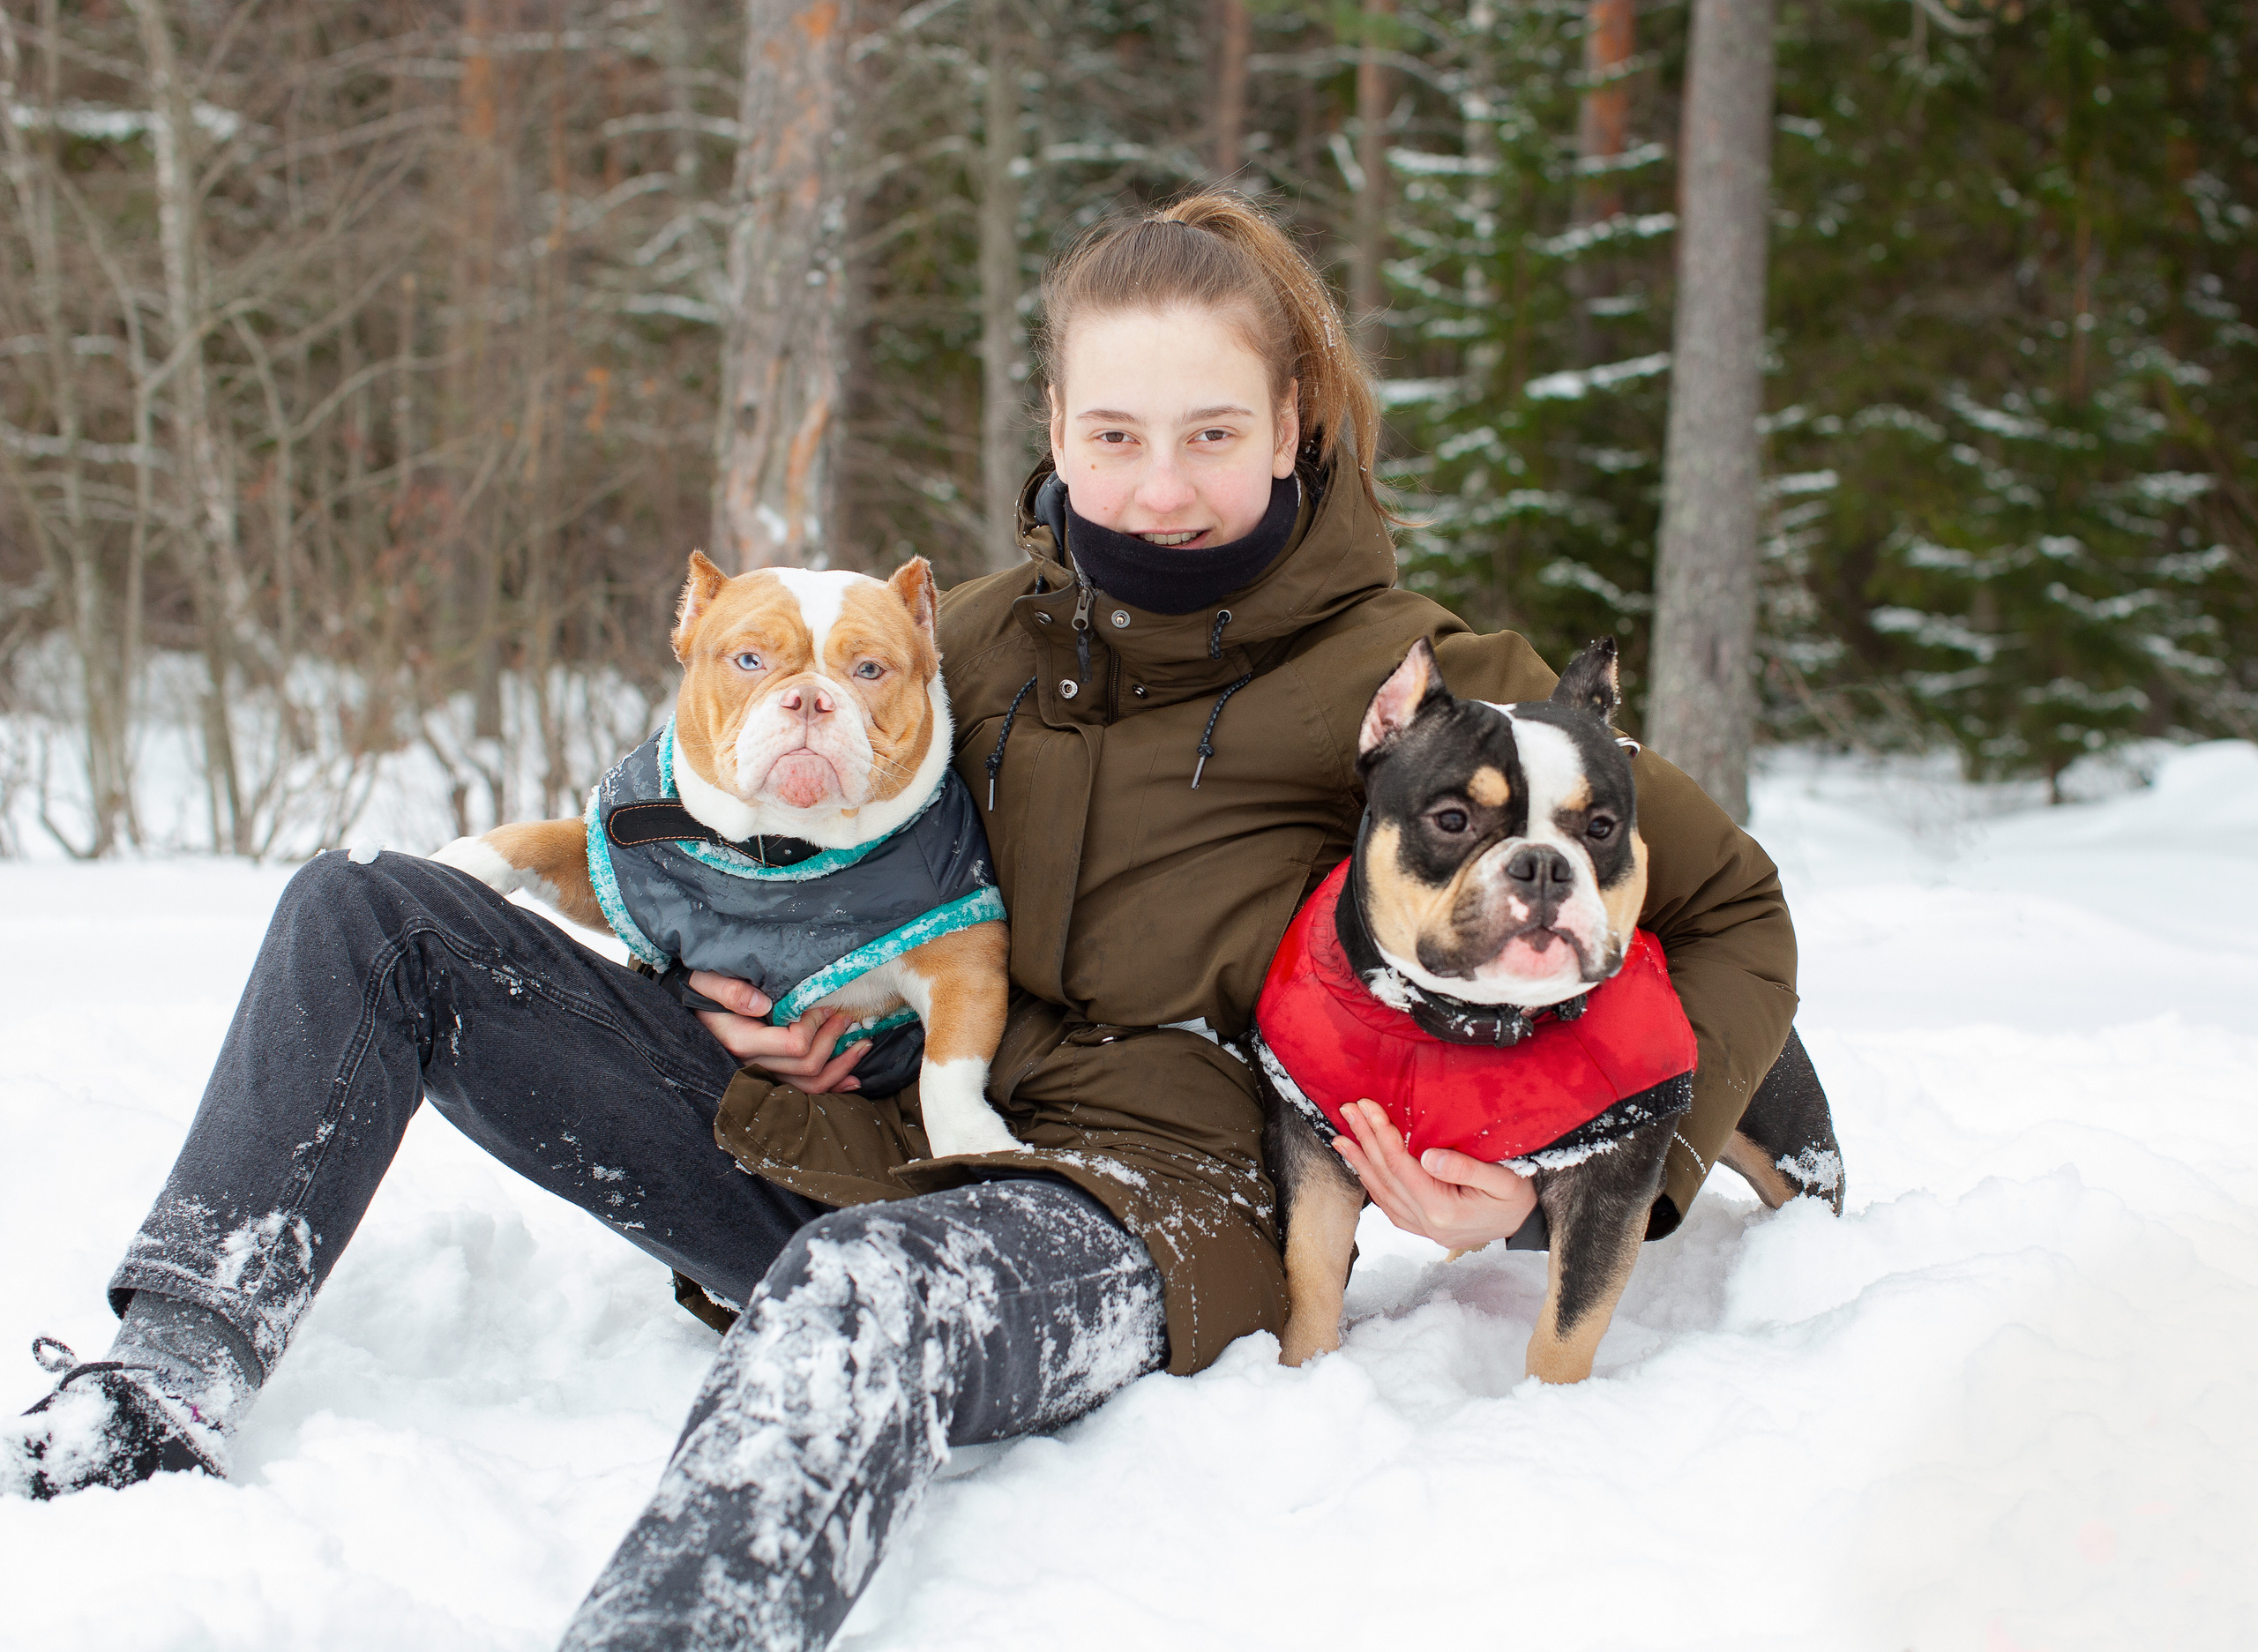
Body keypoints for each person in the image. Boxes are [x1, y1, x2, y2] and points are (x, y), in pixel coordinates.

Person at [6, 191, 1808, 1652]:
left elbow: (1727, 912)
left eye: (1205, 434)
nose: (1155, 484)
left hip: (1151, 1206)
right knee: (368, 915)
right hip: (867, 1123)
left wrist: (1604, 1168)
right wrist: (753, 978)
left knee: (864, 1291)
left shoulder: (1426, 688)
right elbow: (742, 805)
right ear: (1050, 430)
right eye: (1110, 433)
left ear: (1292, 430)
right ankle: (164, 1372)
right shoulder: (960, 643)